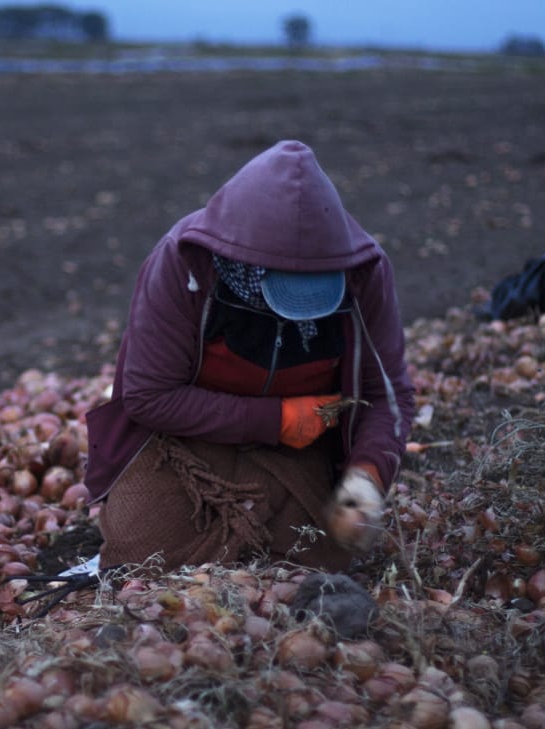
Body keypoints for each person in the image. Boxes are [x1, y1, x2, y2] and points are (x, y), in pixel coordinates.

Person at [83, 139, 416, 574]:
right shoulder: (182, 263)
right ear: (243, 266)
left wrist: (367, 475)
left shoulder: (364, 271)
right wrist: (276, 420)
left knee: (320, 555)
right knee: (141, 548)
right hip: (185, 439)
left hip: (305, 449)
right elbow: (149, 395)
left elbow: (386, 394)